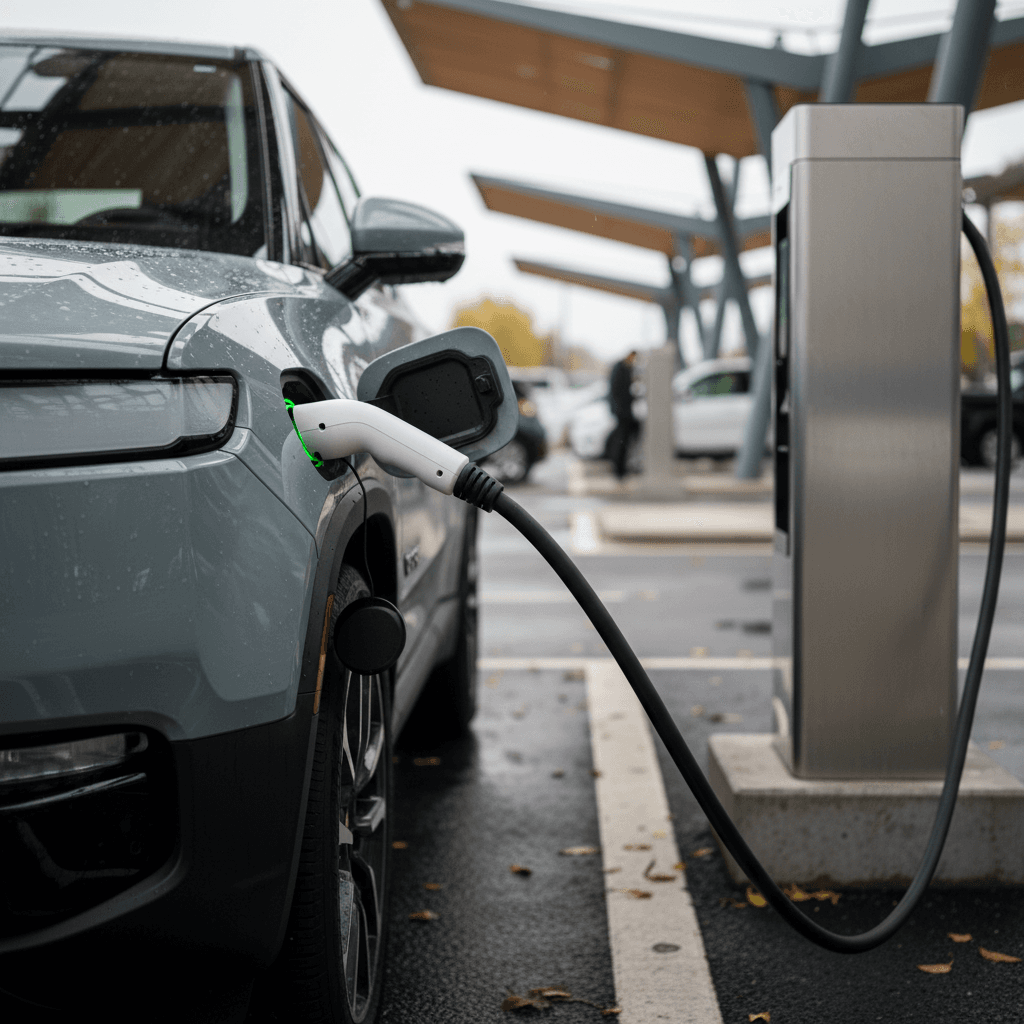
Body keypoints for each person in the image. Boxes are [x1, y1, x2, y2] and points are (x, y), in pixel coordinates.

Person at [607, 350, 638, 480]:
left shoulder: (622, 368)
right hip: (622, 412)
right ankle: (619, 469)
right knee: (621, 440)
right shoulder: (622, 369)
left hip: (622, 411)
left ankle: (620, 468)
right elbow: (620, 392)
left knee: (623, 438)